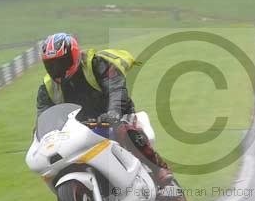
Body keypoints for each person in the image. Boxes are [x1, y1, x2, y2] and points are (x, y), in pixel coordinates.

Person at [36, 33, 173, 189]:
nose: (57, 69)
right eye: (51, 65)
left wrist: (113, 112)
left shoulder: (96, 64)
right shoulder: (47, 87)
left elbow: (116, 88)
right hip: (80, 128)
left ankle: (158, 168)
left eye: (61, 63)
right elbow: (44, 114)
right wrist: (43, 133)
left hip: (115, 113)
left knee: (124, 129)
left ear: (74, 56)